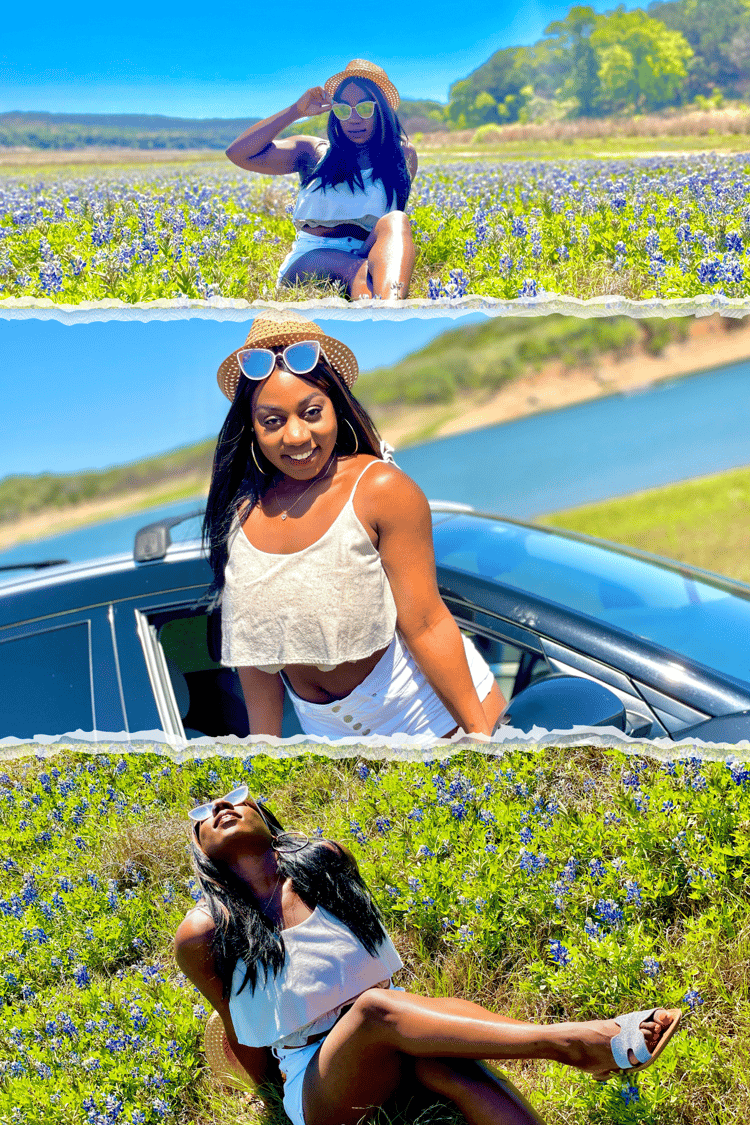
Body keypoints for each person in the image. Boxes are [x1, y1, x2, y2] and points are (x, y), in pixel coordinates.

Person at [174, 785, 682, 1125]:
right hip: (319, 1080)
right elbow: (237, 1021)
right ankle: (572, 1043)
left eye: (238, 796)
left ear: (266, 816)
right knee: (375, 1011)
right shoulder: (203, 931)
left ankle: (575, 1048)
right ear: (200, 849)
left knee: (450, 1066)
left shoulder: (325, 864)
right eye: (203, 814)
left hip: (396, 1030)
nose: (222, 807)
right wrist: (267, 1096)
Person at [203, 310, 506, 741]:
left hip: (432, 717)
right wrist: (261, 763)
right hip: (333, 741)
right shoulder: (240, 516)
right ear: (251, 429)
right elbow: (257, 659)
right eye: (272, 420)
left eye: (311, 412)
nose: (295, 436)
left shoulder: (380, 488)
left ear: (336, 408)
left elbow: (426, 623)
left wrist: (482, 738)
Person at [225, 60, 417, 299]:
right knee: (354, 270)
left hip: (364, 254)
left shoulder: (403, 156)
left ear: (383, 111)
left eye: (365, 108)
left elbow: (389, 221)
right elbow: (238, 153)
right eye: (344, 110)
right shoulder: (313, 151)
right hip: (312, 257)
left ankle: (390, 305)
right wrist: (296, 111)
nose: (353, 119)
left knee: (397, 220)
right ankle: (387, 309)